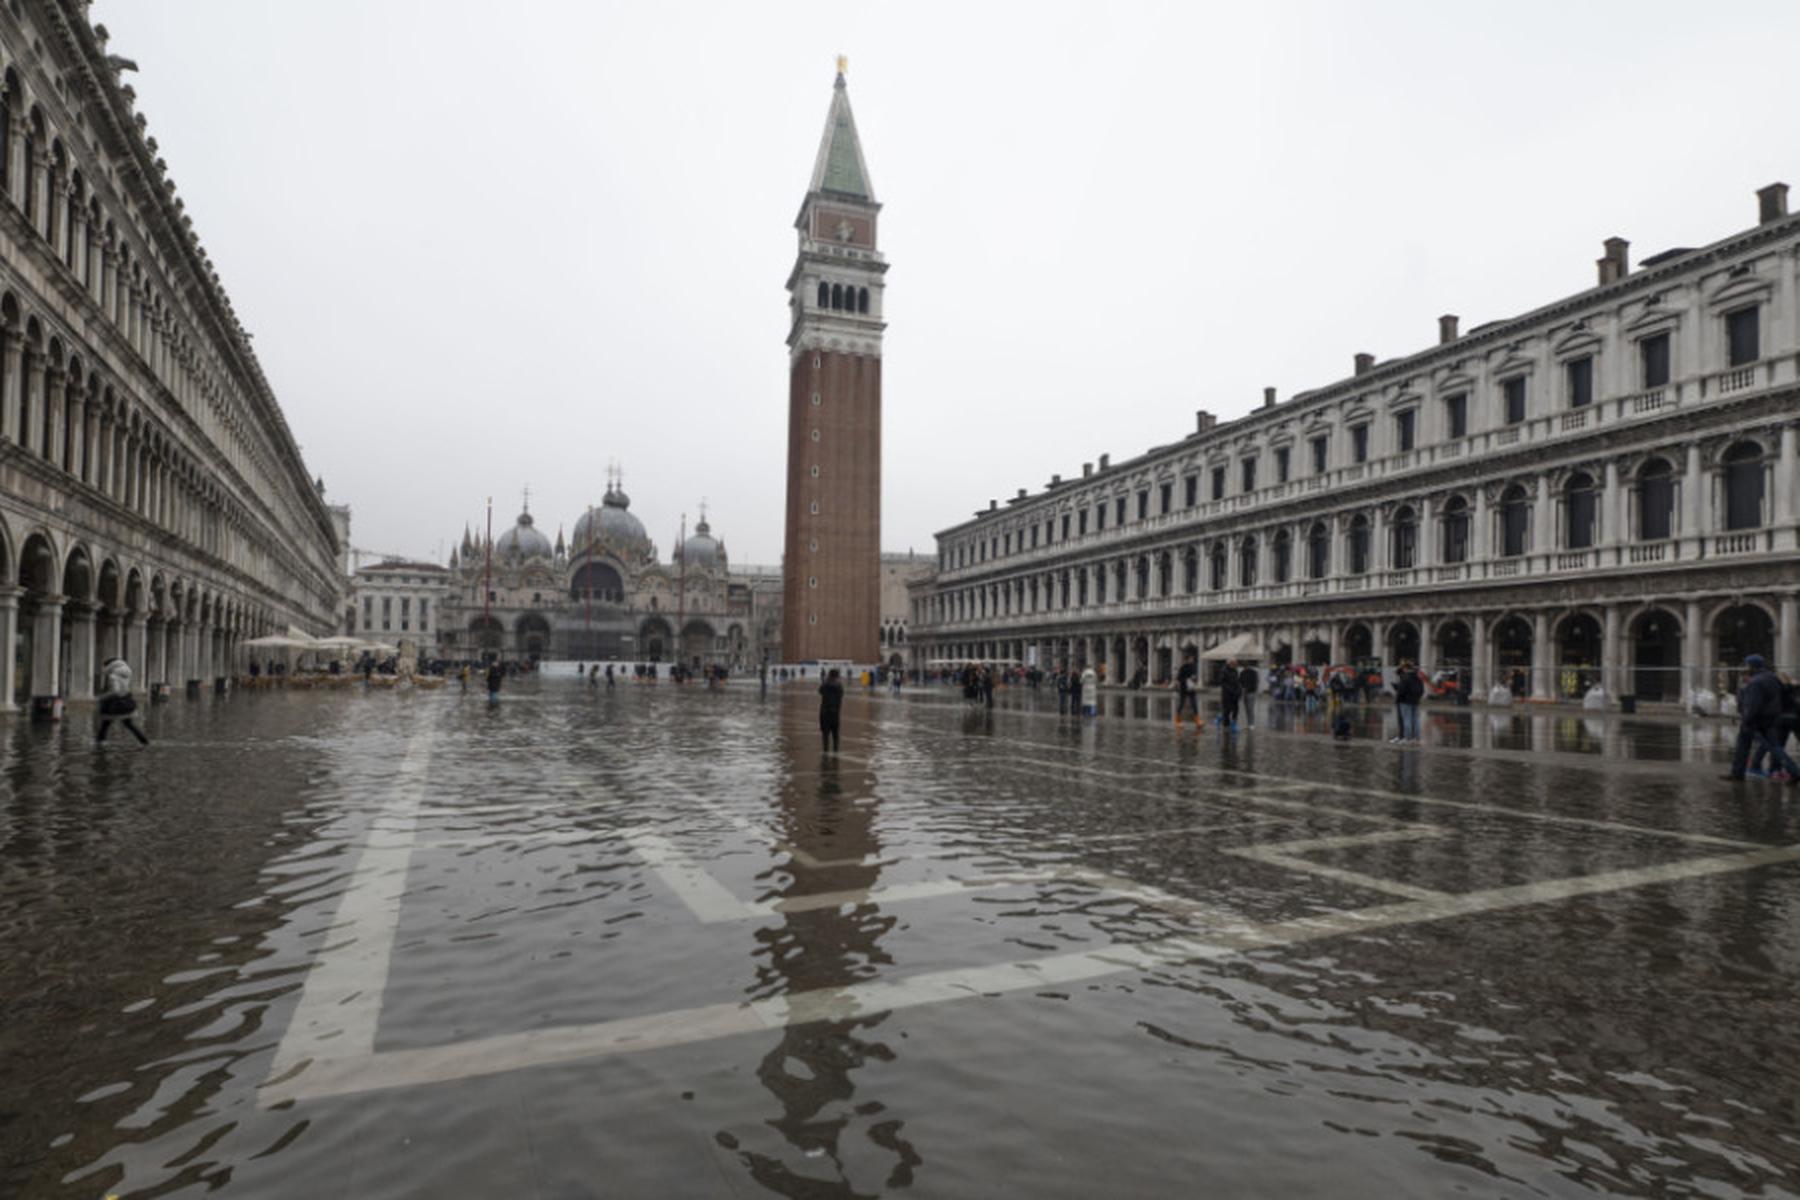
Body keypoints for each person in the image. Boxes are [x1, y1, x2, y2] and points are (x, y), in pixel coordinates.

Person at [1723, 655, 1800, 784]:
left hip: (1756, 721)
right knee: (1745, 745)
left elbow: (1753, 705)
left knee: (1771, 748)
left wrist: (1747, 719)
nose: (1745, 668)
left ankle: (1795, 772)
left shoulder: (1755, 682)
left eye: (1747, 665)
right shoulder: (1772, 678)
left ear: (1752, 666)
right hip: (1771, 718)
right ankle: (1737, 773)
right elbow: (1785, 693)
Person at [96, 657, 149, 746]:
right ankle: (144, 741)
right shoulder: (125, 673)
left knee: (106, 722)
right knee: (128, 723)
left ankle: (100, 742)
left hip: (115, 703)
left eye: (103, 667)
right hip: (126, 699)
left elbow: (115, 691)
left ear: (108, 666)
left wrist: (101, 697)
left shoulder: (113, 676)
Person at [1391, 659, 1424, 745]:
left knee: (1407, 720)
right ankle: (1416, 738)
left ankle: (1407, 738)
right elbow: (1422, 690)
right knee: (1416, 720)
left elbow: (1401, 690)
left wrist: (1397, 694)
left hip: (1405, 701)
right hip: (1415, 701)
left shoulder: (1406, 678)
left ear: (1406, 668)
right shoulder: (1417, 677)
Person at [819, 667, 844, 752]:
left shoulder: (825, 684)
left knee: (825, 734)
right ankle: (835, 751)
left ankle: (825, 751)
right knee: (835, 734)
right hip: (835, 713)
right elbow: (841, 695)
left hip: (824, 712)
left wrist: (826, 680)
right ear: (837, 676)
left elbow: (820, 691)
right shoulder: (839, 686)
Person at [1175, 653, 1200, 727]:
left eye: (1192, 658)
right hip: (1183, 688)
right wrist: (1186, 679)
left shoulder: (1193, 667)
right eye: (1191, 658)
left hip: (1191, 688)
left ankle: (1197, 720)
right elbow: (1179, 678)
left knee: (1194, 704)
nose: (1192, 660)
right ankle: (1178, 720)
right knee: (1181, 704)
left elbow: (1195, 676)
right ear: (1187, 659)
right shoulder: (1182, 667)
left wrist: (1194, 678)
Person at [1217, 659, 1241, 730]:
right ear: (1230, 663)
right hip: (1227, 694)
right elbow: (1222, 683)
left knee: (1235, 710)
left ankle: (1234, 723)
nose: (1236, 665)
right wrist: (1230, 690)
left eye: (1236, 664)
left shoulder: (1235, 671)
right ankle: (1226, 725)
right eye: (1234, 664)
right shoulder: (1224, 671)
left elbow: (1237, 682)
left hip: (1235, 694)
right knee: (1227, 710)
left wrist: (1239, 690)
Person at [1239, 662, 1259, 730]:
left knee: (1250, 708)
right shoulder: (1242, 672)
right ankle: (1248, 724)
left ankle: (1251, 724)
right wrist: (1242, 688)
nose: (1245, 667)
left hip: (1251, 692)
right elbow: (1240, 681)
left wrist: (1247, 688)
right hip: (1245, 692)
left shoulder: (1253, 672)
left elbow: (1255, 682)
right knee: (1247, 709)